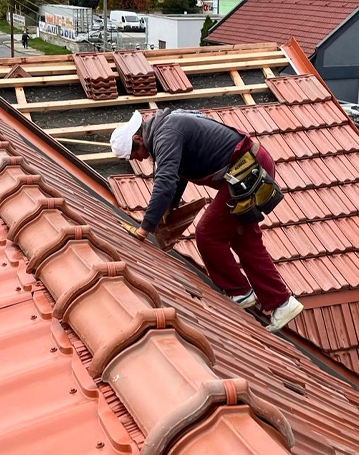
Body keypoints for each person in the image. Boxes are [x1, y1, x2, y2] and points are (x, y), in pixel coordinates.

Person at [109, 109, 304, 333]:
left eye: (135, 154)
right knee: (243, 238)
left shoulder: (166, 134)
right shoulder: (164, 130)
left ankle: (239, 292)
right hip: (247, 168)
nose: (138, 159)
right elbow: (178, 175)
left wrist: (145, 228)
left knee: (207, 234)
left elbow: (166, 180)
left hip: (246, 171)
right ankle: (282, 303)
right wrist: (168, 209)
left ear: (137, 138)